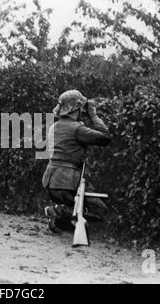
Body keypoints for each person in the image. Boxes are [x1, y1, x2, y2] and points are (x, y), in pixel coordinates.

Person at [42, 90, 112, 234]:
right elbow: (105, 137)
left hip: (50, 181)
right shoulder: (76, 129)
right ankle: (57, 210)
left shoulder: (54, 127)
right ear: (76, 108)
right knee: (100, 210)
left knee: (74, 221)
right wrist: (93, 114)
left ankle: (59, 213)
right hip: (67, 183)